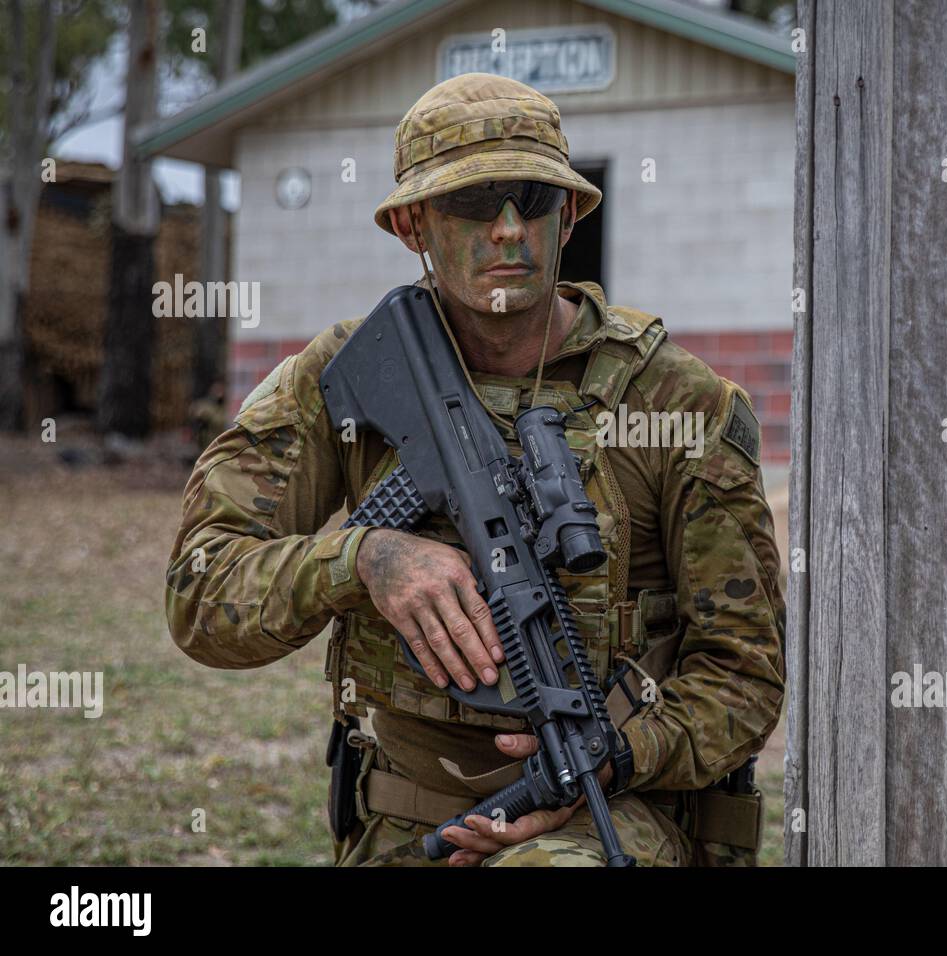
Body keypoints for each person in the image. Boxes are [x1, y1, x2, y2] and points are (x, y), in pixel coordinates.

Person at [165, 73, 785, 867]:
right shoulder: (342, 378)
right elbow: (201, 593)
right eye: (471, 202)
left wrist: (614, 755)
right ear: (410, 225)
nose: (505, 230)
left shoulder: (676, 400)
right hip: (405, 823)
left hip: (612, 813)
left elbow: (746, 674)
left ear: (568, 214)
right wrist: (365, 559)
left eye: (529, 198)